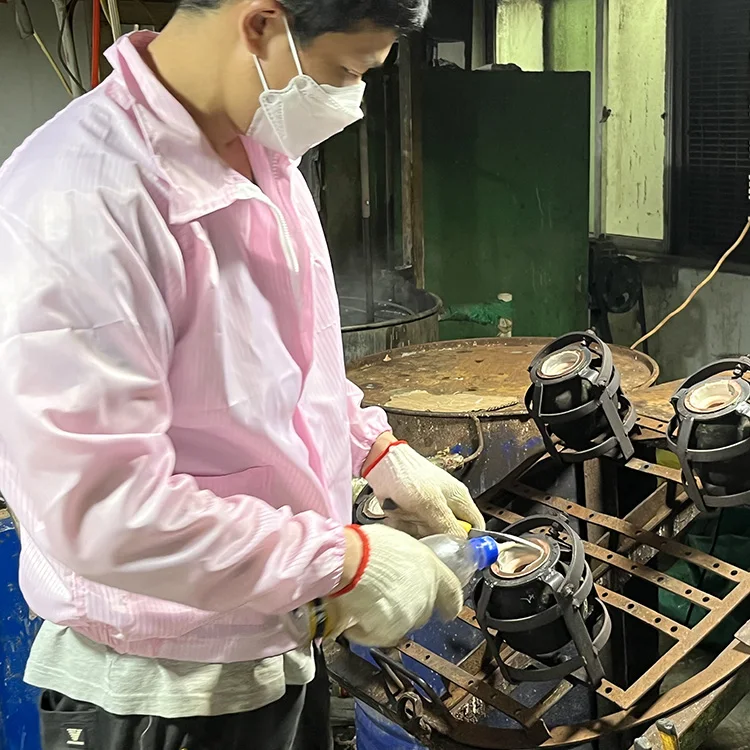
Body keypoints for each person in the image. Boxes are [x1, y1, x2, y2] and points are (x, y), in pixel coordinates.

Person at [0, 1, 487, 748]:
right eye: (345, 70)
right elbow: (101, 506)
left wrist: (375, 452)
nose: (351, 99)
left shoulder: (262, 155)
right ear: (261, 24)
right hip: (167, 689)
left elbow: (288, 364)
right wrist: (344, 560)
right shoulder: (81, 197)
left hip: (278, 636)